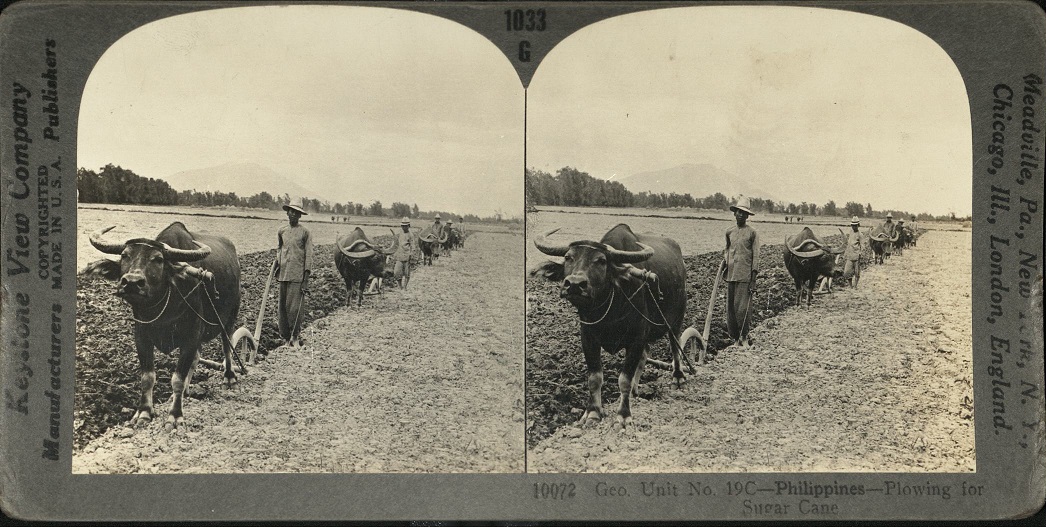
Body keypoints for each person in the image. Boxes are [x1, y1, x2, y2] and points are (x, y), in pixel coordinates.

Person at [723, 197, 760, 348]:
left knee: (743, 308)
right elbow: (727, 249)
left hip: (745, 275)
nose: (740, 215)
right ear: (734, 214)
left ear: (747, 216)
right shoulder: (729, 231)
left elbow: (756, 255)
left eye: (744, 213)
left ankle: (744, 337)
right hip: (731, 274)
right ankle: (735, 338)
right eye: (738, 212)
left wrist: (753, 278)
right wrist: (726, 260)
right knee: (730, 308)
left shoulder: (752, 233)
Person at [276, 204, 313, 349]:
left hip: (297, 275)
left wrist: (306, 278)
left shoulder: (305, 232)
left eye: (296, 213)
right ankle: (286, 338)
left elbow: (309, 255)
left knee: (295, 309)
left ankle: (295, 336)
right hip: (283, 274)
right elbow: (280, 248)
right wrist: (278, 260)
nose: (293, 215)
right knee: (283, 308)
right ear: (287, 213)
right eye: (291, 212)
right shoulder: (282, 231)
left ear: (299, 216)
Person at [393, 216, 416, 289]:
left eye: (406, 226)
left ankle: (405, 287)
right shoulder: (399, 233)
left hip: (407, 256)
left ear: (408, 226)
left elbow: (413, 246)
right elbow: (396, 242)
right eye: (403, 226)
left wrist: (411, 255)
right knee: (397, 272)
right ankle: (400, 286)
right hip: (399, 255)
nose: (404, 227)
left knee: (407, 273)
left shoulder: (410, 235)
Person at [842, 215, 865, 288]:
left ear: (858, 225)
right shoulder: (851, 232)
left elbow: (862, 246)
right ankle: (850, 285)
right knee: (847, 272)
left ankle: (855, 286)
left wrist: (860, 254)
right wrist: (845, 254)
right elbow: (848, 244)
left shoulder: (860, 235)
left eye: (855, 225)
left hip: (856, 256)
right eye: (853, 225)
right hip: (849, 255)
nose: (854, 227)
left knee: (857, 272)